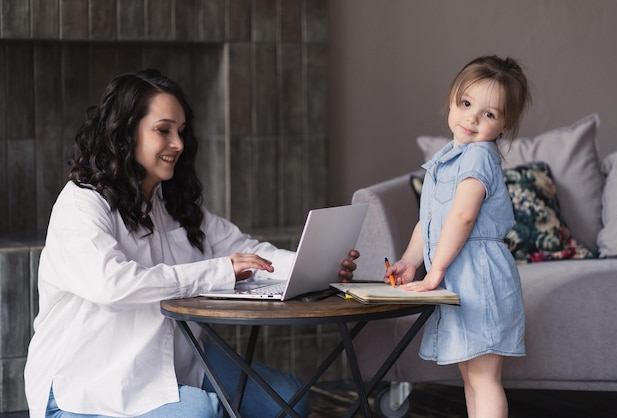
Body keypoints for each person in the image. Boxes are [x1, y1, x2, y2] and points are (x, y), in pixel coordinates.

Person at [24, 69, 360, 418]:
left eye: (181, 132)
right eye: (163, 130)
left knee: (289, 399)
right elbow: (113, 285)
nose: (179, 144)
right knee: (201, 413)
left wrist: (316, 264)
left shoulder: (171, 204)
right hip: (90, 385)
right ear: (125, 132)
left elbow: (246, 253)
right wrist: (219, 272)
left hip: (174, 359)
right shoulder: (81, 204)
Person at [385, 56, 530, 418]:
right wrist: (409, 261)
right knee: (470, 375)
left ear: (504, 125)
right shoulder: (448, 157)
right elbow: (431, 221)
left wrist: (434, 274)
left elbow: (463, 216)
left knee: (483, 377)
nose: (472, 118)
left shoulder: (479, 156)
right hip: (461, 279)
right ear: (451, 100)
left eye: (489, 114)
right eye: (466, 104)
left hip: (480, 278)